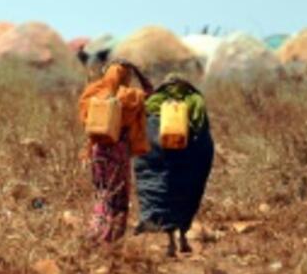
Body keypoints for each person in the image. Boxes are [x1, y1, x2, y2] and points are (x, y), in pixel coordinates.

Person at [134, 75, 214, 257]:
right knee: (185, 194)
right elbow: (201, 129)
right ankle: (183, 238)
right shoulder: (194, 99)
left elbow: (141, 128)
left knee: (161, 191)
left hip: (155, 154)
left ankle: (169, 242)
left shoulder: (154, 100)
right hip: (186, 156)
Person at [77, 60, 153, 245]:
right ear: (126, 77)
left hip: (98, 151)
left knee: (102, 192)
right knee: (118, 195)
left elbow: (84, 118)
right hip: (119, 152)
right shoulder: (130, 96)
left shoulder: (93, 92)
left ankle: (96, 233)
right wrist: (139, 72)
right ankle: (111, 239)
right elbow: (151, 93)